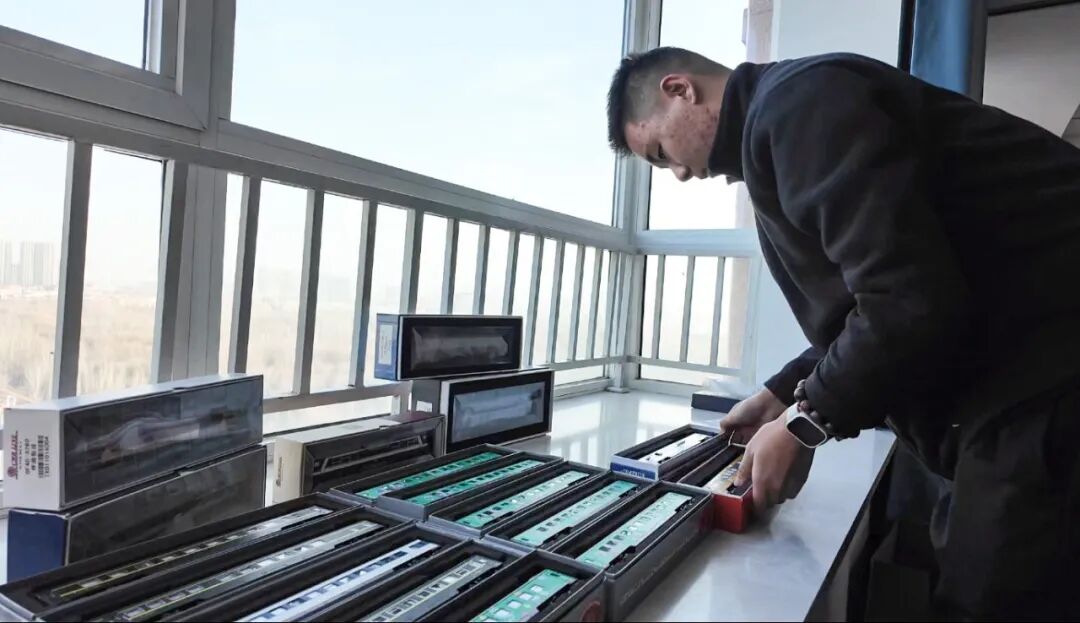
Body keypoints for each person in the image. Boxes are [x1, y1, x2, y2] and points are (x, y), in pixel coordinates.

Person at [605, 47, 1080, 619]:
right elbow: (880, 298)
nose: (681, 174)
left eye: (662, 154)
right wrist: (781, 393)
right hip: (1022, 379)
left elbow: (906, 300)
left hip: (1044, 384)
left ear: (680, 90)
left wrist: (805, 423)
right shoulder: (786, 119)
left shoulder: (800, 106)